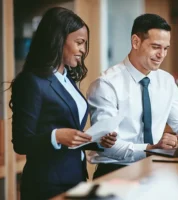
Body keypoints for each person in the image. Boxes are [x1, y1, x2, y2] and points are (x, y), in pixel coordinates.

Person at [9, 7, 116, 199]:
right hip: (46, 185)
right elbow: (22, 142)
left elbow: (70, 133)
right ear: (58, 40)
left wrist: (97, 140)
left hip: (77, 178)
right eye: (79, 43)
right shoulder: (32, 81)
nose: (83, 50)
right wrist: (56, 136)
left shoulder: (67, 79)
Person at [87, 13, 178, 178]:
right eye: (156, 47)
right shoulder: (106, 84)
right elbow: (108, 145)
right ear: (136, 42)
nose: (162, 54)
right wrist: (151, 148)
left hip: (157, 168)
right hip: (116, 171)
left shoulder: (166, 81)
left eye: (165, 48)